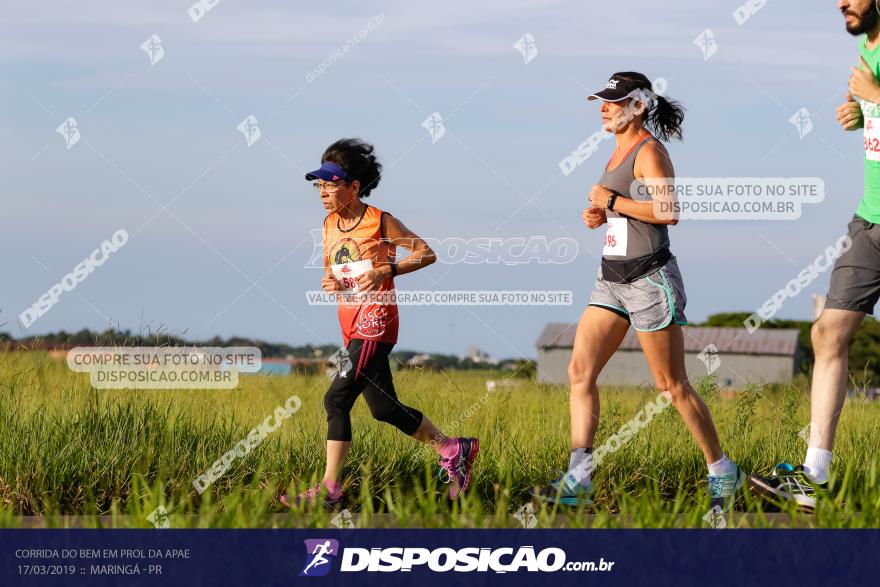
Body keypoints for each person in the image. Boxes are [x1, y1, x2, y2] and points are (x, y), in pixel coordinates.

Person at [531, 72, 744, 509]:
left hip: (650, 279)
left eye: (614, 101)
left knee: (671, 385)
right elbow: (628, 212)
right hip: (611, 278)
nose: (604, 107)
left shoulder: (651, 152)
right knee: (579, 372)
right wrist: (601, 216)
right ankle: (579, 478)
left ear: (639, 106)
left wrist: (611, 203)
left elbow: (668, 211)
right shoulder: (616, 151)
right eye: (602, 100)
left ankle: (723, 472)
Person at [280, 138, 479, 508]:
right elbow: (335, 270)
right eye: (319, 185)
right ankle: (453, 448)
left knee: (335, 398)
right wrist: (332, 281)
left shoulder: (381, 221)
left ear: (354, 186)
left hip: (377, 319)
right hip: (350, 321)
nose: (323, 191)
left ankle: (329, 489)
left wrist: (386, 269)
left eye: (331, 183)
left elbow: (426, 253)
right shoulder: (328, 224)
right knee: (384, 409)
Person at [749, 0, 880, 512]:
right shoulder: (867, 52)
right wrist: (862, 114)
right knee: (827, 332)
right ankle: (815, 476)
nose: (841, 2)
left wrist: (877, 98)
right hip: (870, 221)